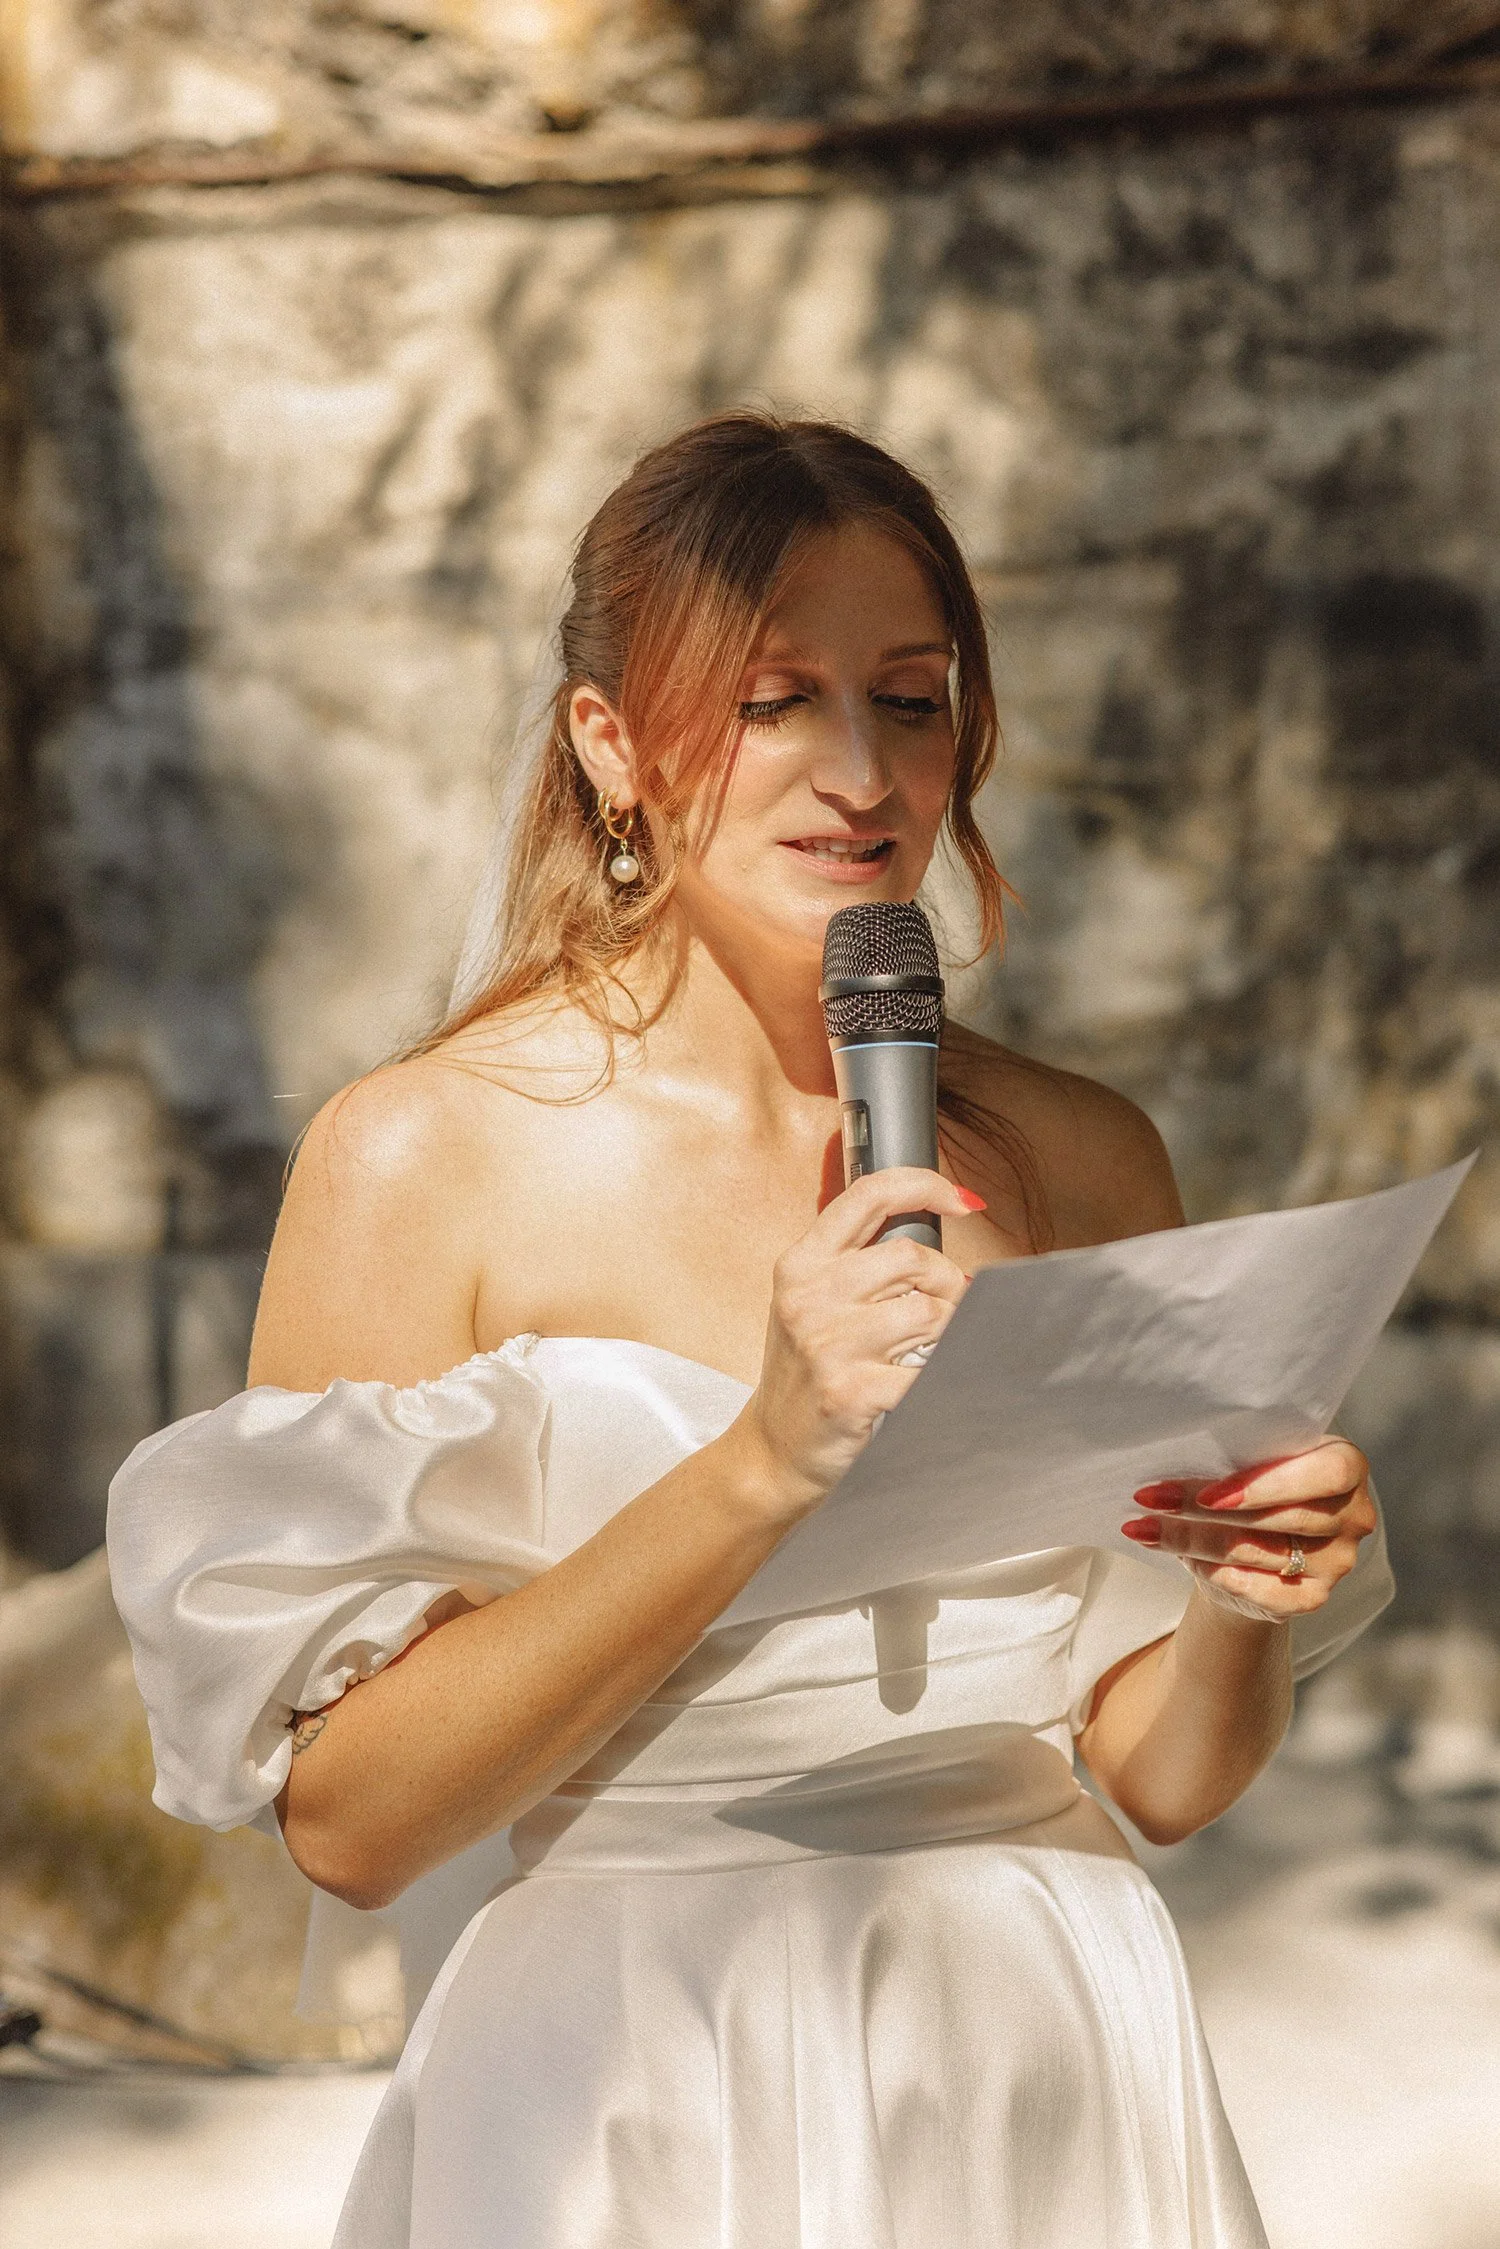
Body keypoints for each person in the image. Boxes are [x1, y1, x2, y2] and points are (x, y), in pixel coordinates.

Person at [109, 413, 1389, 2249]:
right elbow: (351, 1828)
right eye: (774, 701)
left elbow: (1160, 1781)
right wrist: (760, 1466)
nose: (861, 775)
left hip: (1041, 2059)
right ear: (609, 743)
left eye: (912, 701)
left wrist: (1246, 1601)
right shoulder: (424, 1157)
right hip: (635, 2083)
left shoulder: (1088, 1156)